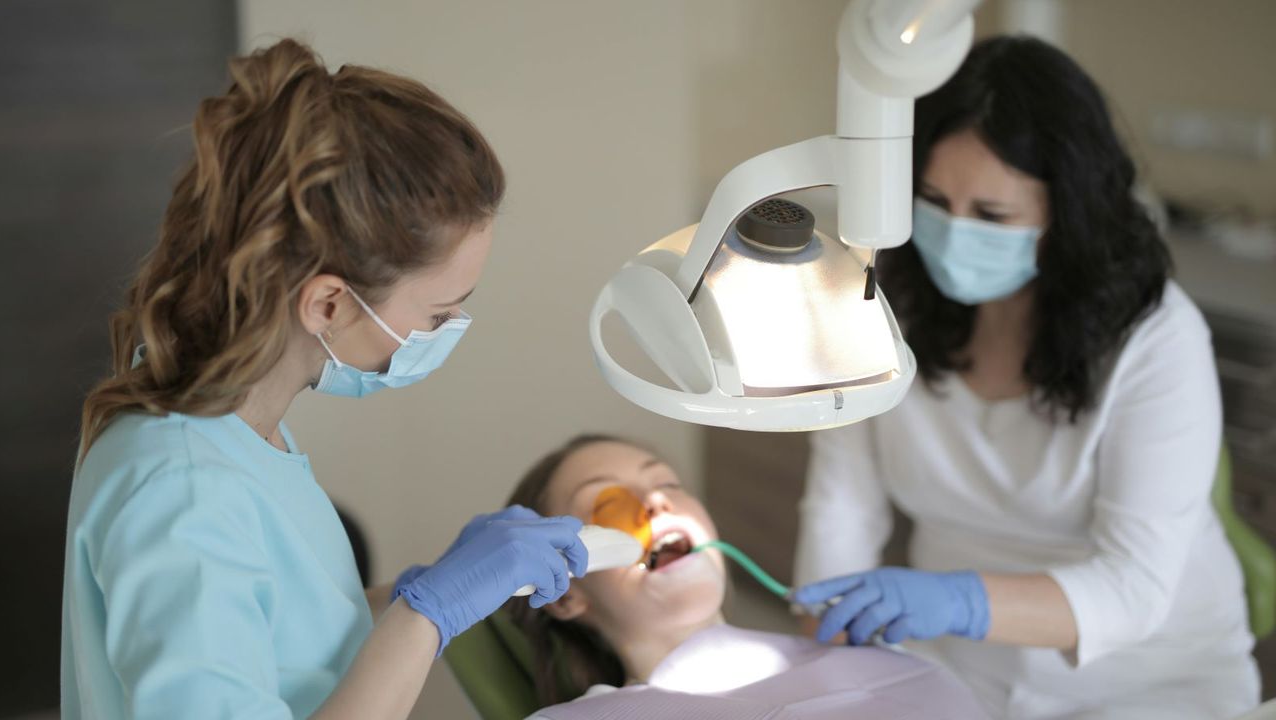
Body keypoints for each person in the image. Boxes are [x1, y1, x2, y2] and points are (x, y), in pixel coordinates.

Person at [61, 39, 588, 720]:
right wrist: (429, 614)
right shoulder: (182, 487)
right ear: (329, 305)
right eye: (438, 313)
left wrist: (432, 592)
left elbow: (278, 638)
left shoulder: (235, 428)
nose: (452, 327)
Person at [792, 35, 1259, 719]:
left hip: (1150, 681)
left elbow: (1133, 589)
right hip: (955, 667)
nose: (954, 233)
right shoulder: (881, 301)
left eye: (992, 215)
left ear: (1066, 213)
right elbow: (844, 504)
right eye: (933, 200)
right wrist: (823, 635)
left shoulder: (1156, 337)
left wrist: (959, 599)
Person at [503, 435, 991, 719]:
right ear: (565, 594)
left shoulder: (881, 658)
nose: (656, 501)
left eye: (668, 483)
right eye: (609, 504)